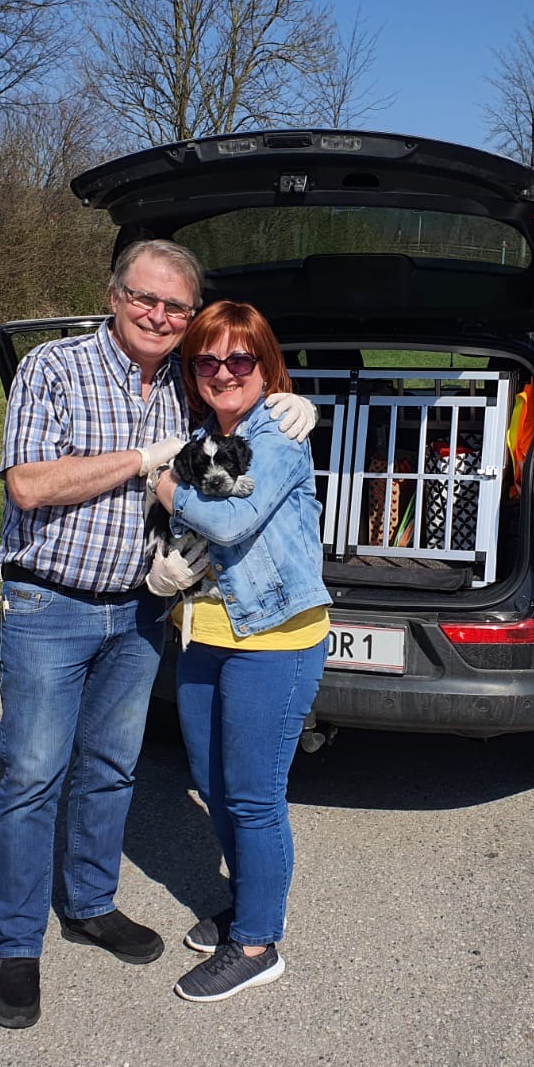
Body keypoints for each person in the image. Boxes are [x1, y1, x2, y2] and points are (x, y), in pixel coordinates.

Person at [0, 240, 314, 1030]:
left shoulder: (189, 380)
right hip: (50, 604)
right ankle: (18, 947)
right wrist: (144, 460)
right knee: (34, 776)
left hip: (138, 611)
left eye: (176, 307)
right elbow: (29, 484)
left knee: (109, 769)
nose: (160, 317)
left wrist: (292, 406)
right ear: (114, 294)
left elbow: (241, 404)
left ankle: (91, 904)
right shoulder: (54, 369)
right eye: (147, 299)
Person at [150, 300, 332, 1003]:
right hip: (204, 635)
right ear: (192, 371)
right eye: (207, 361)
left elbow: (234, 521)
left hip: (275, 638)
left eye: (240, 359)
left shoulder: (279, 436)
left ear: (264, 364)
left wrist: (163, 483)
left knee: (255, 797)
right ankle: (247, 904)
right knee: (214, 784)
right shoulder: (198, 433)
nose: (224, 372)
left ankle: (258, 943)